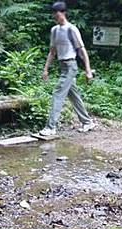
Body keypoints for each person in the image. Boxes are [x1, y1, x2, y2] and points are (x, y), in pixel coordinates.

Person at [39, 1, 96, 136]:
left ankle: (50, 127)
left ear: (63, 13)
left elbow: (82, 51)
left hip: (71, 66)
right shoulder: (54, 30)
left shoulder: (72, 29)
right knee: (74, 95)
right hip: (62, 66)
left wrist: (88, 71)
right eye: (53, 13)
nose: (55, 16)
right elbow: (52, 52)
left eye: (57, 13)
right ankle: (87, 122)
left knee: (57, 93)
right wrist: (45, 69)